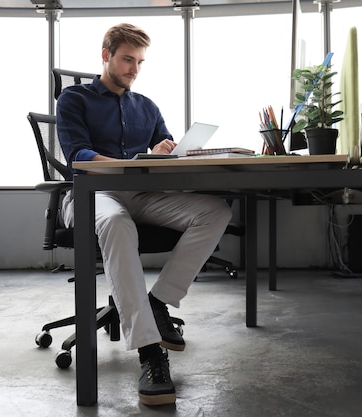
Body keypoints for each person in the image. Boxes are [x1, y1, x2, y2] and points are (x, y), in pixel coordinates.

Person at [56, 23, 232, 406]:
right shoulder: (74, 99)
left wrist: (170, 151)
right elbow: (78, 156)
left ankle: (159, 300)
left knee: (215, 210)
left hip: (143, 192)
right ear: (106, 56)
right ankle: (150, 351)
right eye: (127, 60)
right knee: (117, 224)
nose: (134, 69)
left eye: (140, 62)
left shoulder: (147, 107)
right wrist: (123, 163)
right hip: (93, 193)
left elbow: (164, 154)